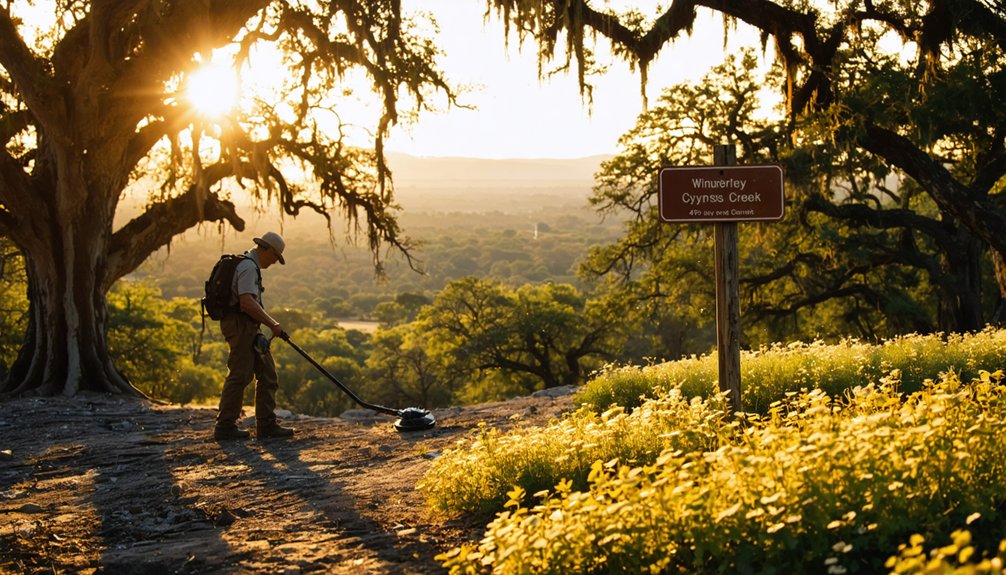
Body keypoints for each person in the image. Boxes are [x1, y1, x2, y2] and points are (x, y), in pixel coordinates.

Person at [213, 232, 295, 440]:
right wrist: (272, 324)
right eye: (275, 256)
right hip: (240, 326)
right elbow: (246, 302)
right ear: (266, 249)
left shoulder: (249, 265)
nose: (275, 261)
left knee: (267, 372)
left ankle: (266, 425)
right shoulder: (249, 267)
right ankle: (225, 426)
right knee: (240, 374)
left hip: (248, 326)